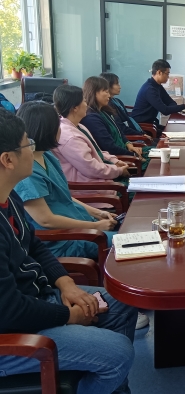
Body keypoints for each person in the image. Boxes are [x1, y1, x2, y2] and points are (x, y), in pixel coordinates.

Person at [0, 108, 137, 393]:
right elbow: (9, 311)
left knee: (122, 305)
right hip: (12, 333)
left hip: (37, 297)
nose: (33, 150)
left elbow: (34, 244)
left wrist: (66, 284)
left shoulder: (8, 196)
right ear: (8, 160)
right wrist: (68, 316)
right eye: (28, 144)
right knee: (118, 353)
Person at [14, 101, 117, 259]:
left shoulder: (47, 155)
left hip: (81, 226)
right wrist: (95, 226)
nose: (61, 129)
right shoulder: (28, 172)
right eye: (58, 125)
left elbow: (65, 196)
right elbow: (46, 220)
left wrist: (98, 213)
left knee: (129, 232)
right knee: (127, 242)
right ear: (47, 129)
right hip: (64, 240)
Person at [52, 84, 131, 189]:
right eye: (84, 101)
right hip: (89, 187)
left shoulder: (79, 126)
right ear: (75, 108)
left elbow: (96, 152)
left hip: (102, 177)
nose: (87, 105)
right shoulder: (70, 137)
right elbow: (91, 168)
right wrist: (118, 171)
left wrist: (114, 161)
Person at [80, 76, 150, 171]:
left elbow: (119, 130)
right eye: (106, 92)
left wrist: (128, 144)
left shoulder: (104, 111)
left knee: (158, 152)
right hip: (119, 160)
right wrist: (134, 155)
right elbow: (109, 147)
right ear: (94, 93)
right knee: (156, 162)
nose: (109, 95)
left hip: (125, 151)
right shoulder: (91, 118)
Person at [131, 59, 185, 129]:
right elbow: (165, 110)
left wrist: (175, 108)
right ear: (159, 72)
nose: (168, 77)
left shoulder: (157, 86)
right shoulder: (150, 89)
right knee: (174, 131)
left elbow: (170, 102)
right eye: (167, 74)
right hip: (141, 126)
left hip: (150, 123)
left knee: (177, 129)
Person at [99, 72, 146, 136]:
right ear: (108, 85)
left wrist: (142, 134)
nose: (120, 87)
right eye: (117, 84)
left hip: (133, 132)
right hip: (130, 137)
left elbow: (127, 120)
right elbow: (120, 127)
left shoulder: (117, 101)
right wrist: (141, 135)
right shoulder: (108, 106)